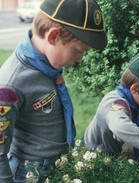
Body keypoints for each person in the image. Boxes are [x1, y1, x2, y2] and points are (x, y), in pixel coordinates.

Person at [0, 0, 107, 182]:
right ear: (53, 37)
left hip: (55, 165)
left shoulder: (49, 61)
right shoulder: (10, 84)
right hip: (28, 173)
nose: (80, 59)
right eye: (78, 51)